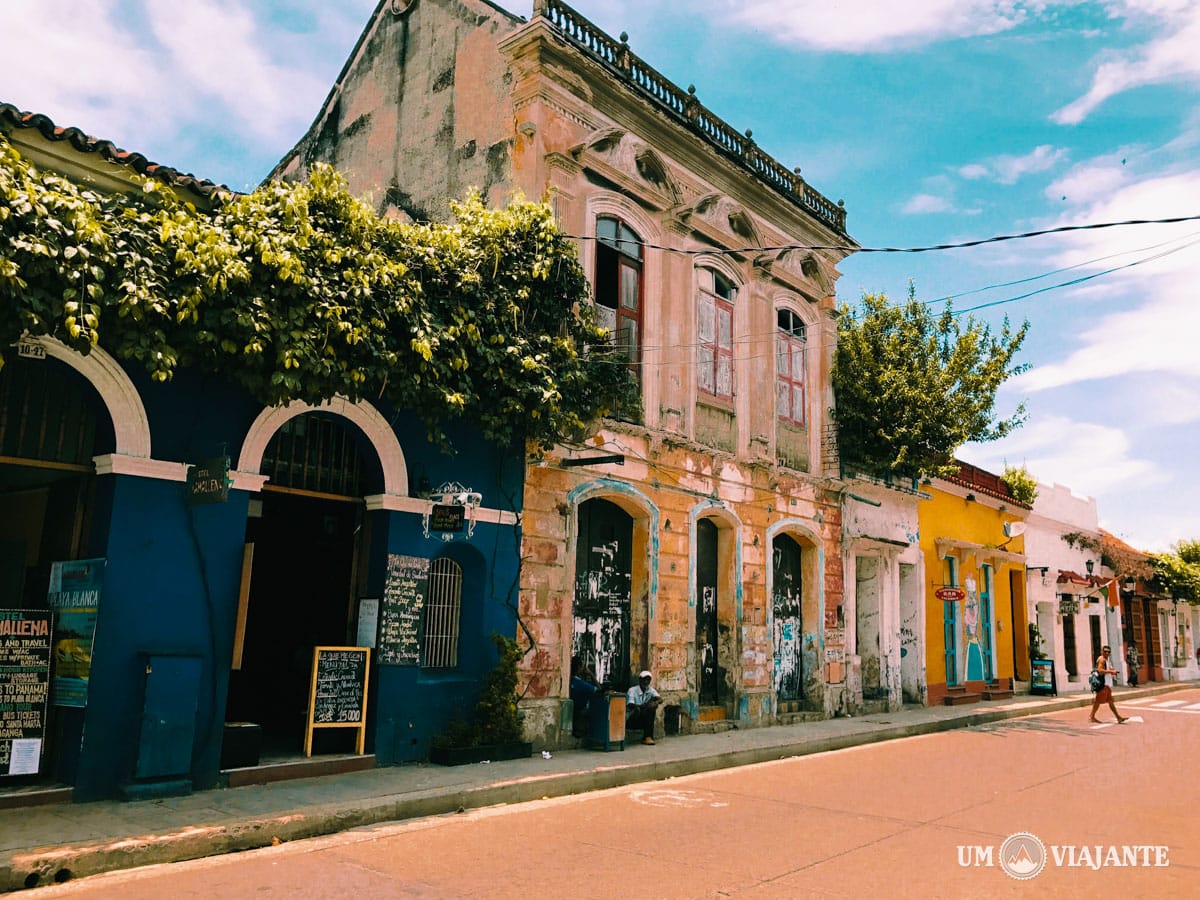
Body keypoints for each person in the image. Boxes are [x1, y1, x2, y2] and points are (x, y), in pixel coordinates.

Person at [1090, 645, 1127, 724]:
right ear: (1102, 652)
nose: (1106, 653)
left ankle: (1118, 717)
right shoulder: (1102, 659)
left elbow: (1105, 669)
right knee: (1098, 701)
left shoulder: (1106, 660)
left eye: (1108, 652)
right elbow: (1100, 670)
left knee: (1110, 701)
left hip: (1106, 684)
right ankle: (1092, 716)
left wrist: (1112, 671)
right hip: (1103, 684)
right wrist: (1111, 672)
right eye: (1105, 651)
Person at [626, 670, 661, 745]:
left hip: (643, 717)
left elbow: (660, 699)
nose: (646, 682)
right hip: (632, 718)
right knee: (639, 709)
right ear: (640, 680)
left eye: (648, 680)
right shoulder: (632, 690)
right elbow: (630, 704)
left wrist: (655, 703)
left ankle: (648, 737)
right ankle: (647, 736)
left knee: (652, 709)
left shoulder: (650, 690)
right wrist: (644, 706)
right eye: (644, 679)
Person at [569, 656, 600, 737]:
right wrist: (591, 675)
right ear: (579, 667)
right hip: (580, 713)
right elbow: (599, 691)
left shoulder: (570, 681)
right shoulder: (582, 685)